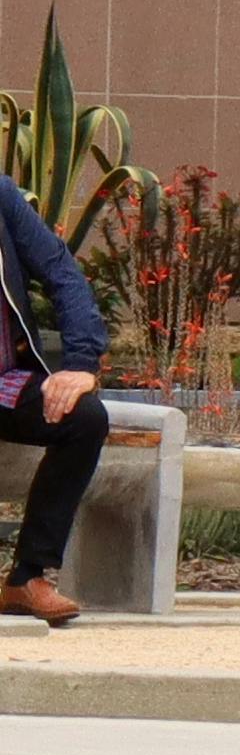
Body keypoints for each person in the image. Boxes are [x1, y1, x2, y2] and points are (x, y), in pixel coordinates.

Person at [0, 176, 105, 626]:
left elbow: (61, 272)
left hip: (3, 382)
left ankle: (27, 576)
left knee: (82, 418)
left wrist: (81, 363)